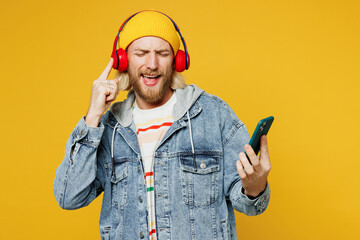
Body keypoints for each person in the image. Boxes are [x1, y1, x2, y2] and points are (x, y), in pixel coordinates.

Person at [53, 10, 271, 240]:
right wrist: (92, 117)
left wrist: (255, 186)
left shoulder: (213, 115)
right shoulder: (109, 129)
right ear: (124, 61)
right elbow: (69, 197)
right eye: (141, 53)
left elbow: (249, 203)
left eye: (162, 53)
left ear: (177, 61)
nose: (152, 63)